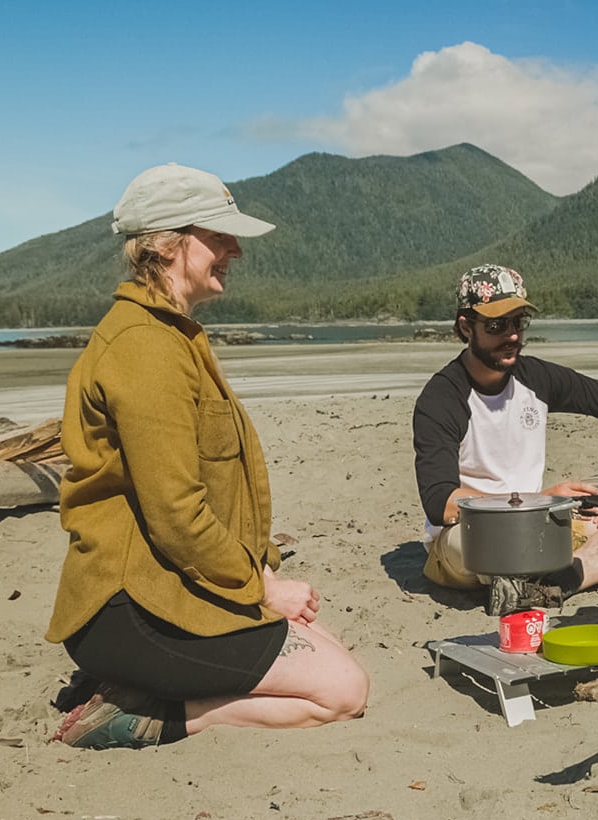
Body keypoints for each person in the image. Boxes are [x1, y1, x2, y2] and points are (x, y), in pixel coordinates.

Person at [46, 163, 368, 750]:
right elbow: (176, 511)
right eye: (219, 235)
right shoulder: (144, 347)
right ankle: (144, 716)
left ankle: (139, 686)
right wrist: (261, 589)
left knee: (328, 644)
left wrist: (264, 570)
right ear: (168, 244)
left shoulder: (170, 335)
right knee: (342, 692)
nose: (235, 250)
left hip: (171, 587)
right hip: (131, 608)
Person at [412, 264, 598, 615]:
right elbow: (442, 503)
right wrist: (539, 501)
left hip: (540, 524)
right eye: (497, 325)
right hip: (467, 535)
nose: (512, 335)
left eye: (518, 322)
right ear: (465, 327)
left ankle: (557, 583)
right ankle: (595, 566)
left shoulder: (536, 377)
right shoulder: (441, 398)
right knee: (487, 545)